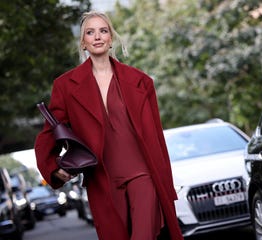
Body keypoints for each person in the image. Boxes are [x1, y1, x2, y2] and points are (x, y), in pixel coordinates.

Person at [34, 10, 183, 240]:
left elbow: (157, 138)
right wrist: (54, 168)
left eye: (103, 31)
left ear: (111, 37)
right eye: (90, 32)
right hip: (102, 178)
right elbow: (49, 133)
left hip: (143, 173)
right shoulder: (65, 86)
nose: (97, 37)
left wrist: (166, 184)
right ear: (83, 42)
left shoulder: (141, 82)